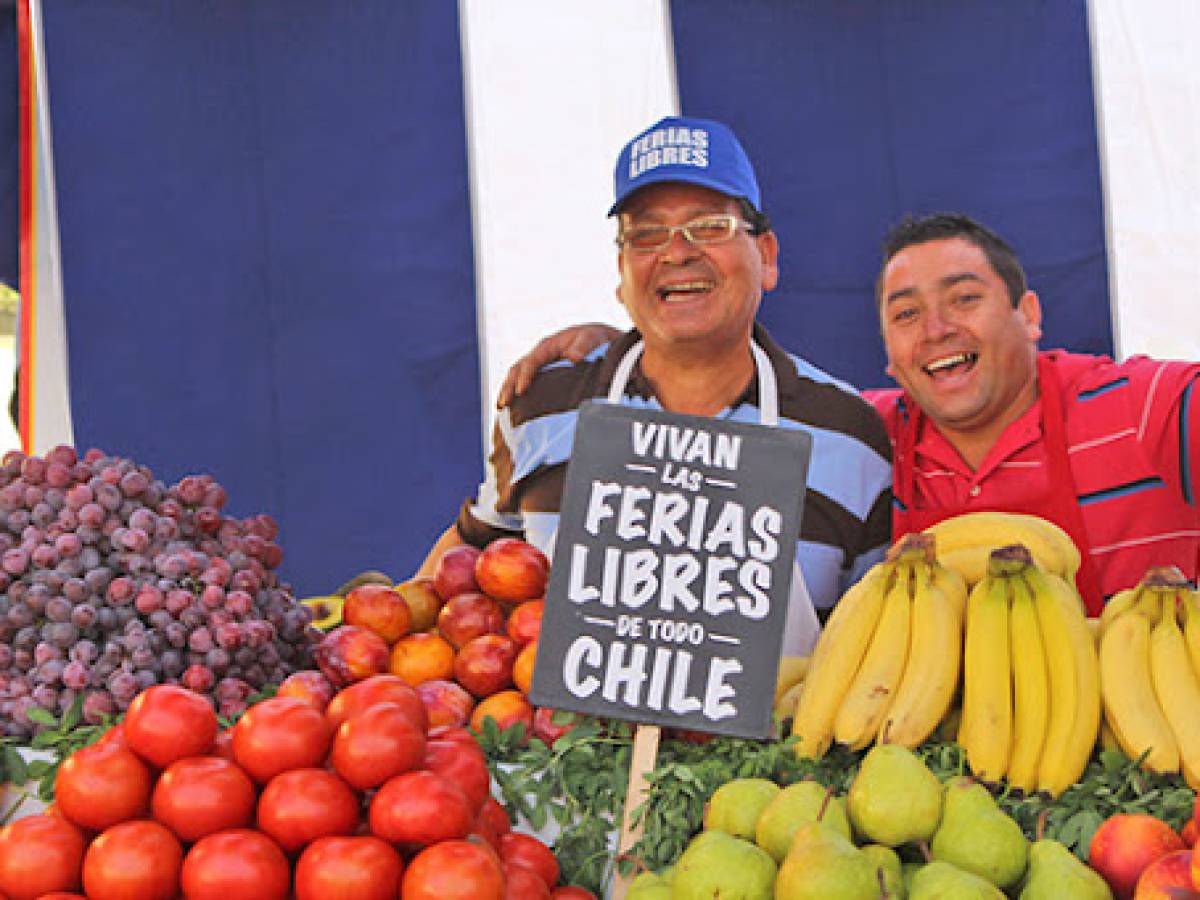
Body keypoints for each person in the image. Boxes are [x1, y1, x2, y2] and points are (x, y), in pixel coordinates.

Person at [500, 213, 1200, 614]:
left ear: (1030, 315)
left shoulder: (1139, 408)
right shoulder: (861, 437)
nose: (937, 329)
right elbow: (708, 423)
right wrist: (636, 343)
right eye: (906, 315)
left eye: (964, 299)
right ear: (890, 357)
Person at [418, 115, 893, 654]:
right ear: (622, 273)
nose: (677, 252)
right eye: (646, 234)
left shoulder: (851, 434)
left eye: (709, 226)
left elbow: (871, 646)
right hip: (569, 739)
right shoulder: (541, 408)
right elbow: (465, 564)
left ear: (766, 257)